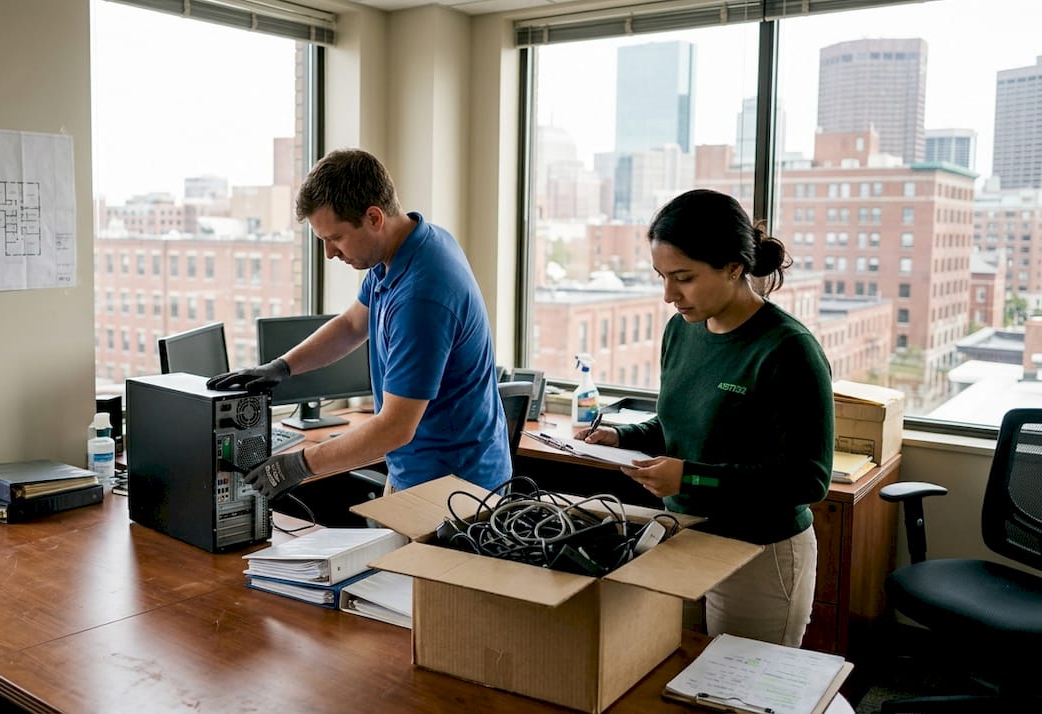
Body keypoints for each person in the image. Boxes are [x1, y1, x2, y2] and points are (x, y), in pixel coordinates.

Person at [578, 188, 834, 647]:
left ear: (733, 267)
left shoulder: (787, 350)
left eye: (684, 278)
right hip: (682, 536)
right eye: (662, 277)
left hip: (758, 552)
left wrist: (691, 478)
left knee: (741, 684)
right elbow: (679, 425)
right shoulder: (682, 329)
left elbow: (807, 480)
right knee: (669, 668)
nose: (668, 295)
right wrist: (623, 437)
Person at [207, 148, 510, 501]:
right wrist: (282, 367)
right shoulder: (407, 249)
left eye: (335, 238)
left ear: (374, 218)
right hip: (424, 472)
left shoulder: (421, 296)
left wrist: (298, 465)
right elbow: (352, 324)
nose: (329, 253)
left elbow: (395, 428)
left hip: (454, 489)